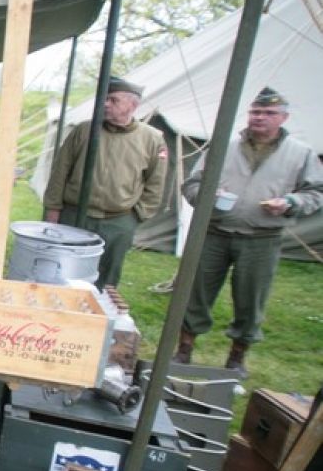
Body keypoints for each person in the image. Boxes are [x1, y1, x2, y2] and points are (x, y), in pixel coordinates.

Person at [174, 87, 323, 374]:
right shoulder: (224, 146)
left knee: (251, 299)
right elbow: (192, 184)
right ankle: (183, 350)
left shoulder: (300, 153)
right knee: (195, 291)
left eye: (269, 113)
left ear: (283, 118)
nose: (260, 117)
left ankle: (237, 357)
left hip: (262, 237)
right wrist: (208, 196)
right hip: (214, 232)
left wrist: (290, 203)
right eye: (256, 111)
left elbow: (316, 192)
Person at [43, 77, 168, 289]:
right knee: (62, 272)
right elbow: (60, 171)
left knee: (106, 278)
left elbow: (156, 182)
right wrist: (53, 208)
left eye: (113, 100)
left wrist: (137, 216)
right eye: (104, 99)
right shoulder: (84, 130)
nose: (105, 104)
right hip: (75, 215)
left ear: (132, 105)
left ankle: (100, 308)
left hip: (118, 221)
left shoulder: (152, 138)